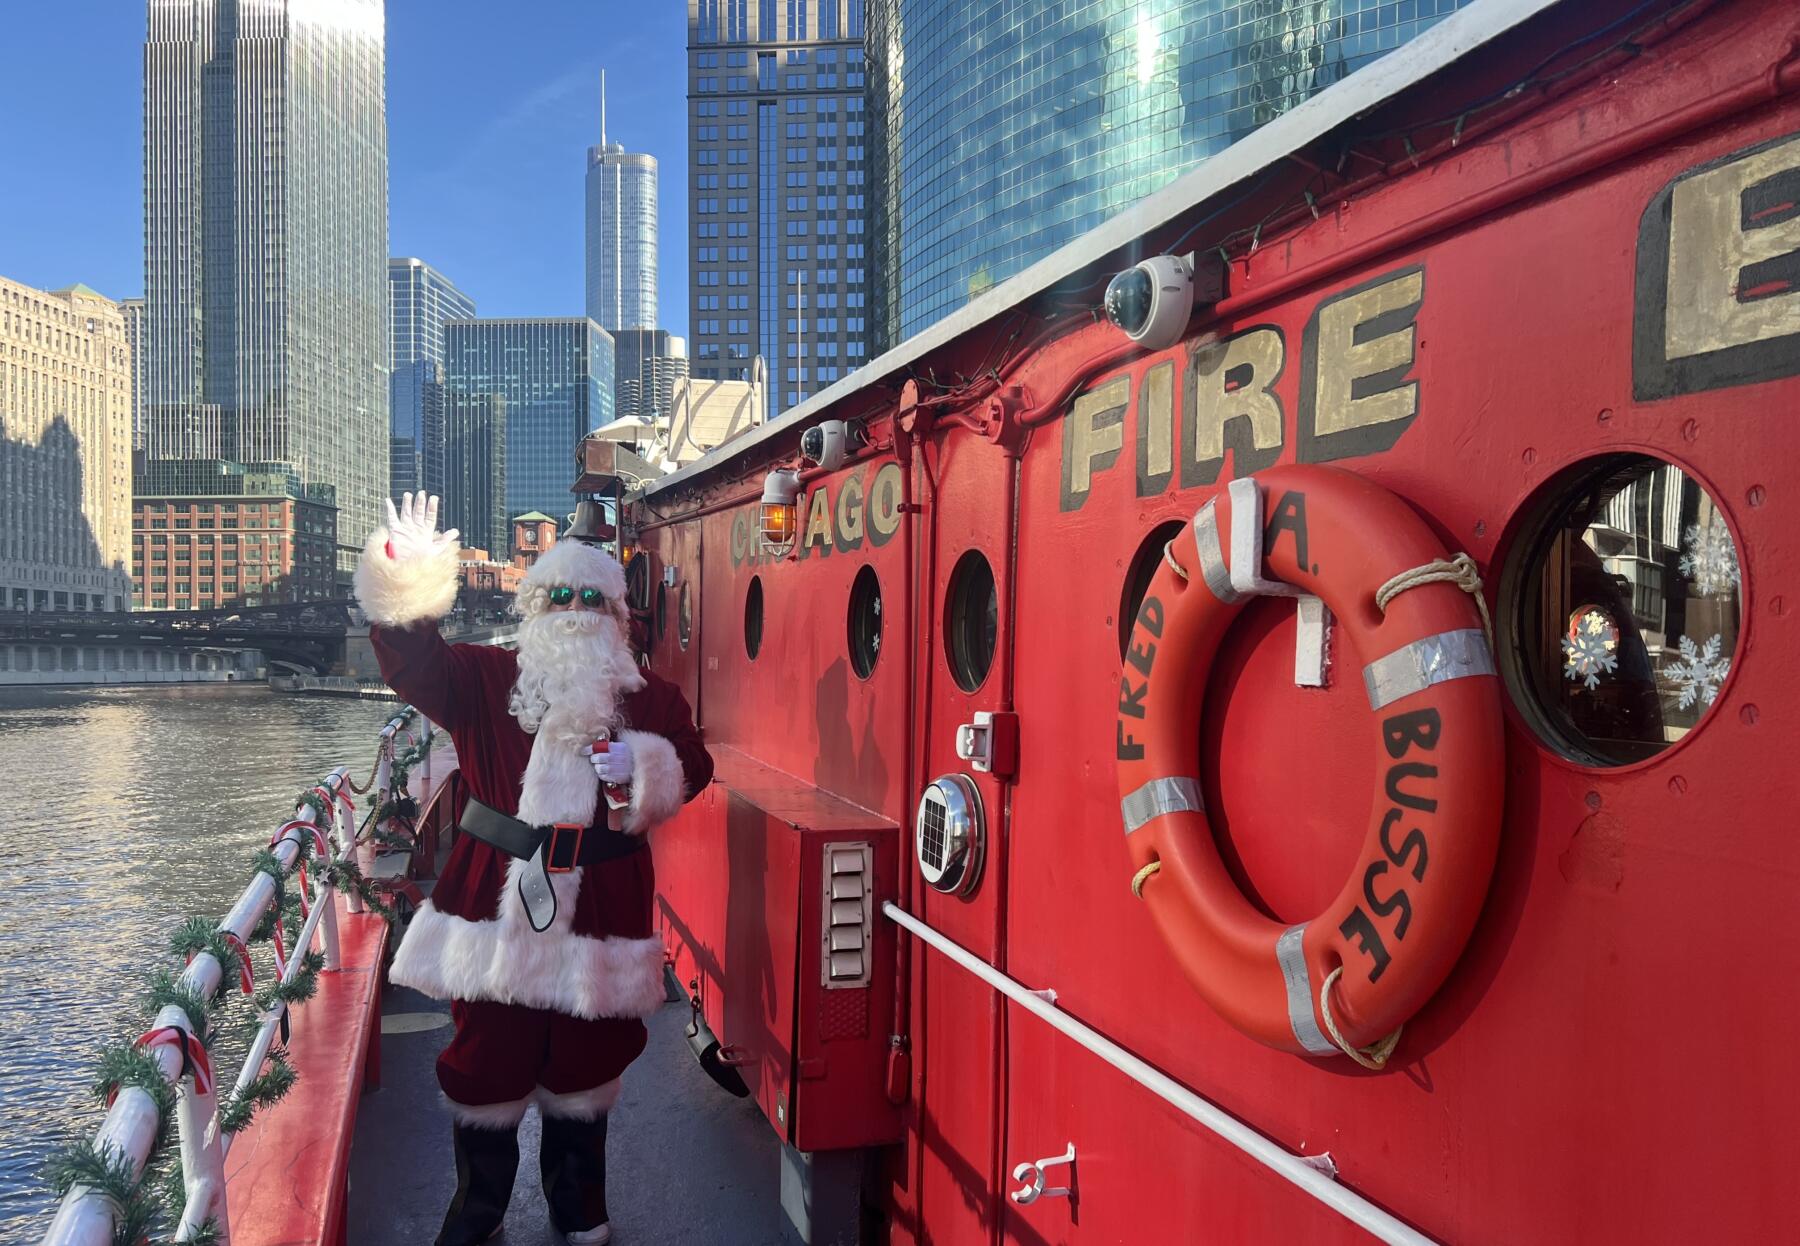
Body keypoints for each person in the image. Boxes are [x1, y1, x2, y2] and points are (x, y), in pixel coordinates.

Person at [353, 492, 713, 1246]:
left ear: (618, 616)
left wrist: (645, 765)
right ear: (535, 607)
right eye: (560, 596)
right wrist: (408, 578)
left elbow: (696, 762)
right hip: (495, 906)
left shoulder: (654, 701)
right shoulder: (483, 681)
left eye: (592, 598)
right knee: (486, 1056)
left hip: (601, 909)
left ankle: (579, 1205)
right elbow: (414, 661)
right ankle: (477, 1208)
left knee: (587, 1066)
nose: (576, 610)